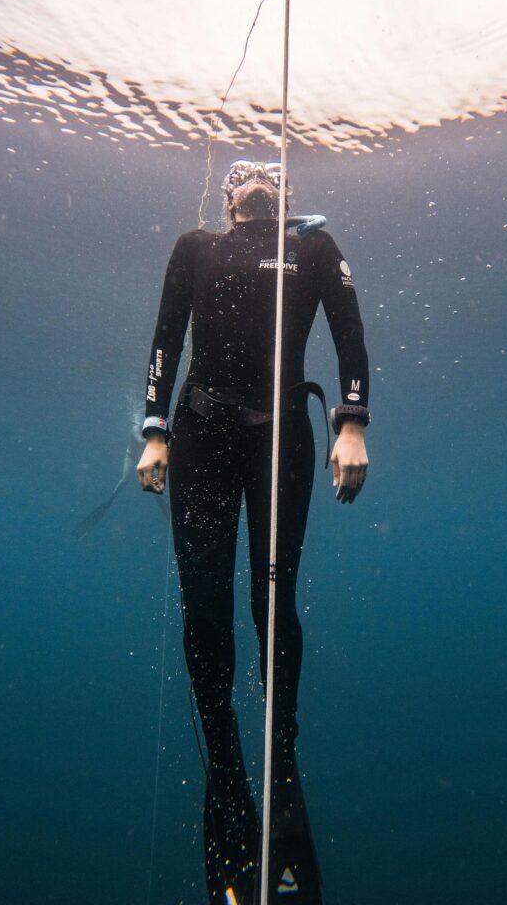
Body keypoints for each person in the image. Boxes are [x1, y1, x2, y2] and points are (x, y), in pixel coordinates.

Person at [136, 159, 370, 904]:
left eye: (270, 173)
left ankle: (282, 754)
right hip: (201, 435)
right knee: (204, 604)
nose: (256, 180)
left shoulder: (314, 247)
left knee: (274, 598)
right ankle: (224, 762)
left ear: (288, 196)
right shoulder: (195, 246)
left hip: (283, 439)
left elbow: (349, 332)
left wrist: (352, 423)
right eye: (241, 175)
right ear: (227, 196)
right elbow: (166, 338)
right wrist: (155, 431)